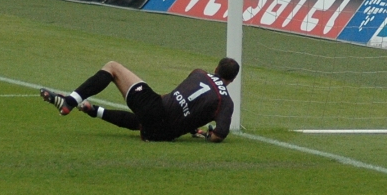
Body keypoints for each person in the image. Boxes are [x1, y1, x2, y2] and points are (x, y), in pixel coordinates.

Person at [40, 57, 240, 143]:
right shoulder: (226, 102)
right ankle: (94, 110)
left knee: (112, 67)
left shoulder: (198, 73)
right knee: (145, 119)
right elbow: (219, 135)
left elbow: (176, 99)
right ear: (232, 80)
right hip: (161, 134)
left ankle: (70, 101)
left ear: (215, 69)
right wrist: (207, 135)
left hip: (157, 111)